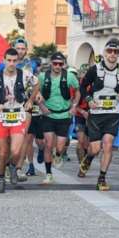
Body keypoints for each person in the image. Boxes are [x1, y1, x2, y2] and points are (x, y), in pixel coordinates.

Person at [0, 48, 39, 193]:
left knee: (15, 151)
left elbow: (37, 84)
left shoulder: (24, 74)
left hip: (18, 116)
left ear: (18, 61)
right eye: (9, 60)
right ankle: (1, 179)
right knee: (2, 152)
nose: (11, 63)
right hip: (1, 118)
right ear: (4, 60)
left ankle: (13, 166)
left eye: (14, 61)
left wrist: (31, 100)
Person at [79, 40, 119, 191]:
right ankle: (88, 159)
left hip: (113, 113)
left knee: (108, 144)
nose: (112, 54)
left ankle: (102, 178)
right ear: (105, 53)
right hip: (96, 113)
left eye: (115, 52)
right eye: (110, 51)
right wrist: (88, 100)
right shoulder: (94, 70)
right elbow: (82, 87)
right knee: (95, 149)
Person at [39, 52, 79, 184]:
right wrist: (41, 105)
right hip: (48, 114)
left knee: (60, 147)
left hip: (64, 114)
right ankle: (48, 173)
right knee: (48, 144)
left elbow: (78, 92)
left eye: (60, 64)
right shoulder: (42, 77)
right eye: (55, 63)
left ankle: (58, 155)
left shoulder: (70, 77)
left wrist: (74, 106)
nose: (57, 66)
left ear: (64, 65)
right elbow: (35, 92)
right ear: (51, 64)